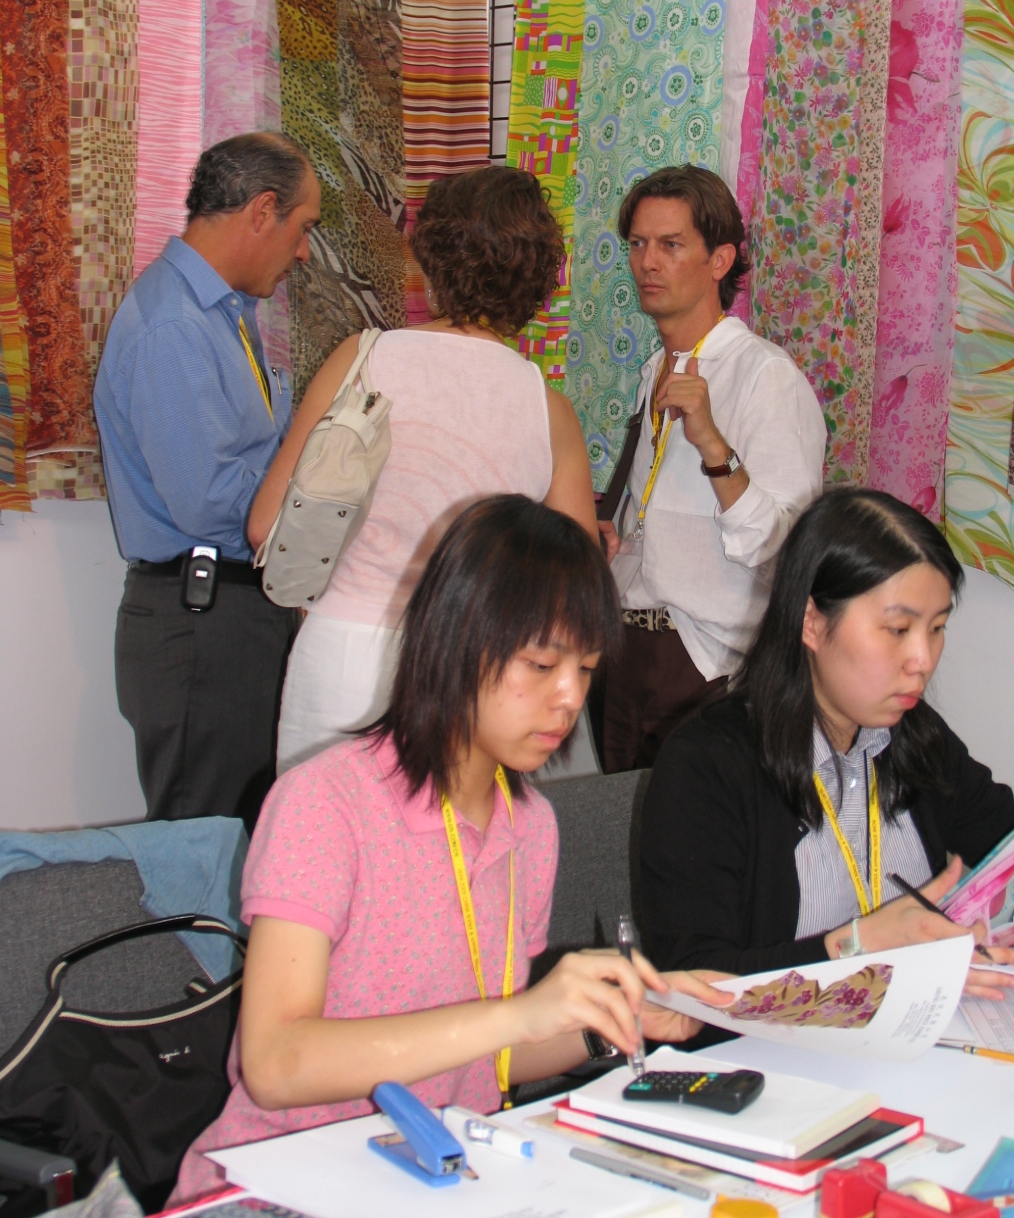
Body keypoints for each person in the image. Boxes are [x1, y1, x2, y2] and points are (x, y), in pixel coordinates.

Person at [172, 496, 732, 1202]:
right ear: (456, 641)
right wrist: (519, 1013)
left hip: (439, 1180)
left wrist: (606, 1024)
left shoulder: (530, 826)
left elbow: (487, 1056)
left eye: (586, 668)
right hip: (281, 1187)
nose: (569, 697)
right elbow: (276, 1065)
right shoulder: (325, 803)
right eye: (541, 663)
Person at [640, 488, 1014, 995]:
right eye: (897, 629)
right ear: (811, 622)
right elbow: (690, 987)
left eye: (937, 628)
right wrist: (855, 949)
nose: (923, 660)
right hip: (775, 1044)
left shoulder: (913, 738)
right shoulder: (708, 763)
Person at [250, 165, 598, 774]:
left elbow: (264, 527)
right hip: (470, 670)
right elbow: (575, 583)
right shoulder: (547, 409)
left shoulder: (360, 360)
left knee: (321, 830)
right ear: (538, 279)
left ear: (432, 257)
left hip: (342, 656)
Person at [94, 133, 322, 828]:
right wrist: (322, 493)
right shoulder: (174, 327)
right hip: (205, 625)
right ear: (262, 210)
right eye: (303, 227)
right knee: (206, 855)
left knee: (251, 848)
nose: (303, 252)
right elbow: (211, 502)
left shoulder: (224, 317)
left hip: (234, 618)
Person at [596, 165, 826, 773]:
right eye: (638, 244)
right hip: (625, 652)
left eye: (671, 245)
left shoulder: (765, 377)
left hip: (707, 668)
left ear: (720, 260)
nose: (647, 263)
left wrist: (715, 449)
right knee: (621, 826)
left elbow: (787, 551)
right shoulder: (655, 370)